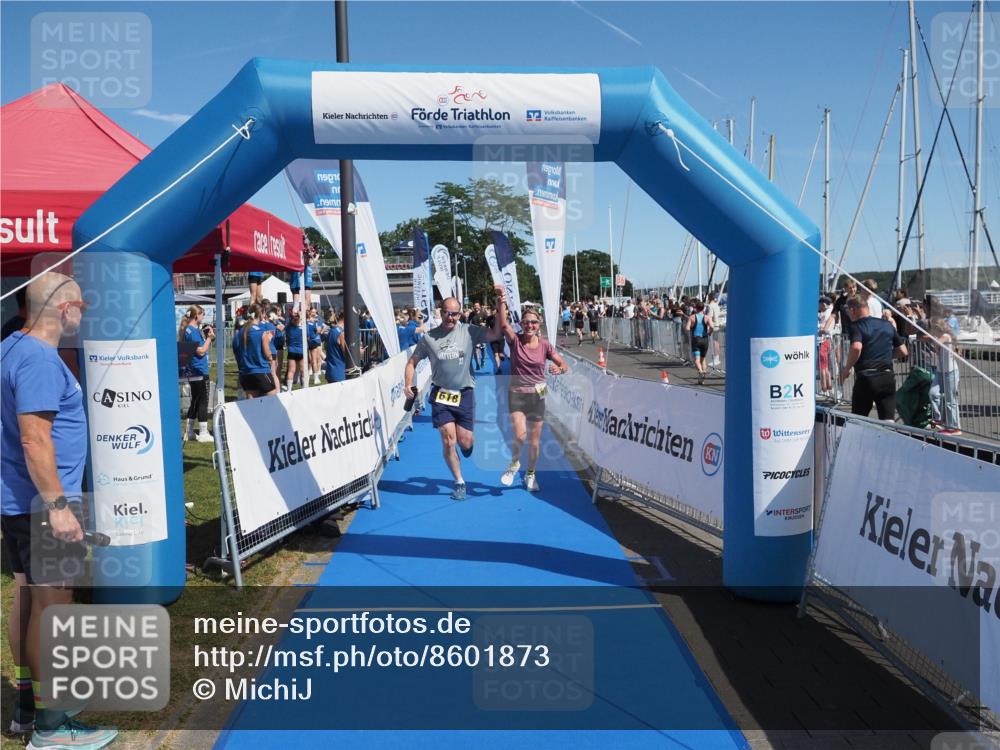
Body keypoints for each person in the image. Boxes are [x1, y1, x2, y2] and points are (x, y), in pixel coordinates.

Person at [1, 272, 118, 749]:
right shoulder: (39, 359)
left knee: (29, 598)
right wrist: (58, 508)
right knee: (54, 609)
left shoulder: (11, 345)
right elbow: (34, 437)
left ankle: (30, 705)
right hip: (45, 502)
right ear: (63, 309)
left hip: (19, 499)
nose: (82, 316)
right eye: (80, 307)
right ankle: (52, 729)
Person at [403, 292, 503, 500]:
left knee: (465, 442)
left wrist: (500, 304)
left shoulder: (469, 332)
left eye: (455, 314)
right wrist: (407, 384)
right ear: (441, 312)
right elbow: (411, 362)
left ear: (460, 315)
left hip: (465, 393)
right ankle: (459, 482)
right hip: (441, 394)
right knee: (449, 440)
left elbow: (495, 334)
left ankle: (467, 446)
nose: (451, 317)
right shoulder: (429, 338)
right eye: (448, 313)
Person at [495, 300, 568, 492]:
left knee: (534, 441)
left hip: (537, 396)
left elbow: (564, 365)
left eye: (533, 322)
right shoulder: (515, 341)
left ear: (539, 323)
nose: (529, 326)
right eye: (526, 322)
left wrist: (559, 369)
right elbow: (503, 325)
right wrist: (499, 300)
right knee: (520, 435)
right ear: (521, 324)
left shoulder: (545, 346)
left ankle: (531, 474)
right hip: (517, 394)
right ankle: (514, 465)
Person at [840, 295, 907, 420]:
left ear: (853, 310)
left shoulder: (856, 326)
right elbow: (903, 351)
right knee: (888, 422)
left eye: (848, 310)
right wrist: (887, 355)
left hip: (867, 378)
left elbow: (856, 347)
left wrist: (847, 368)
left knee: (859, 420)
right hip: (887, 377)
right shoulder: (887, 324)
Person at [178, 305, 215, 442]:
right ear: (196, 316)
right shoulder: (192, 331)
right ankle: (204, 433)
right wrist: (209, 339)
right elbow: (200, 351)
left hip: (193, 370)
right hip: (199, 370)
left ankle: (189, 431)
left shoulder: (190, 330)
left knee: (195, 399)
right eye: (202, 314)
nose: (203, 317)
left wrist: (206, 337)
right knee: (203, 400)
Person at [926, 319, 961, 435]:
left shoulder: (946, 336)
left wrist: (932, 339)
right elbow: (935, 346)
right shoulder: (940, 337)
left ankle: (954, 428)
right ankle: (939, 418)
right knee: (933, 393)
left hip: (950, 372)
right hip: (940, 371)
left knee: (951, 401)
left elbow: (936, 343)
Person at [238, 304, 277, 398]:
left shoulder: (241, 332)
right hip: (260, 370)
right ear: (260, 315)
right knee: (272, 399)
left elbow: (236, 349)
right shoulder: (261, 332)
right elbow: (267, 353)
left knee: (251, 404)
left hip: (246, 372)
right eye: (263, 314)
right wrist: (271, 358)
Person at [686, 300, 714, 384]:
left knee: (697, 360)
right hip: (705, 340)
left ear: (696, 308)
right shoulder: (707, 317)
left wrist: (691, 327)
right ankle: (702, 379)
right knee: (703, 359)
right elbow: (712, 326)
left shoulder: (692, 317)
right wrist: (710, 332)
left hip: (696, 340)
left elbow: (687, 328)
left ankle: (701, 372)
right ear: (703, 308)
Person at [284, 310, 305, 391]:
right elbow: (308, 337)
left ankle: (289, 389)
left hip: (291, 351)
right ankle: (304, 387)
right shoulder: (302, 328)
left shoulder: (288, 328)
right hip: (301, 351)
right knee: (303, 370)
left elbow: (288, 323)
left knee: (291, 371)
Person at [324, 312, 348, 384]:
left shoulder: (331, 331)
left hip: (330, 372)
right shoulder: (341, 333)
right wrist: (358, 352)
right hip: (340, 372)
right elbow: (346, 355)